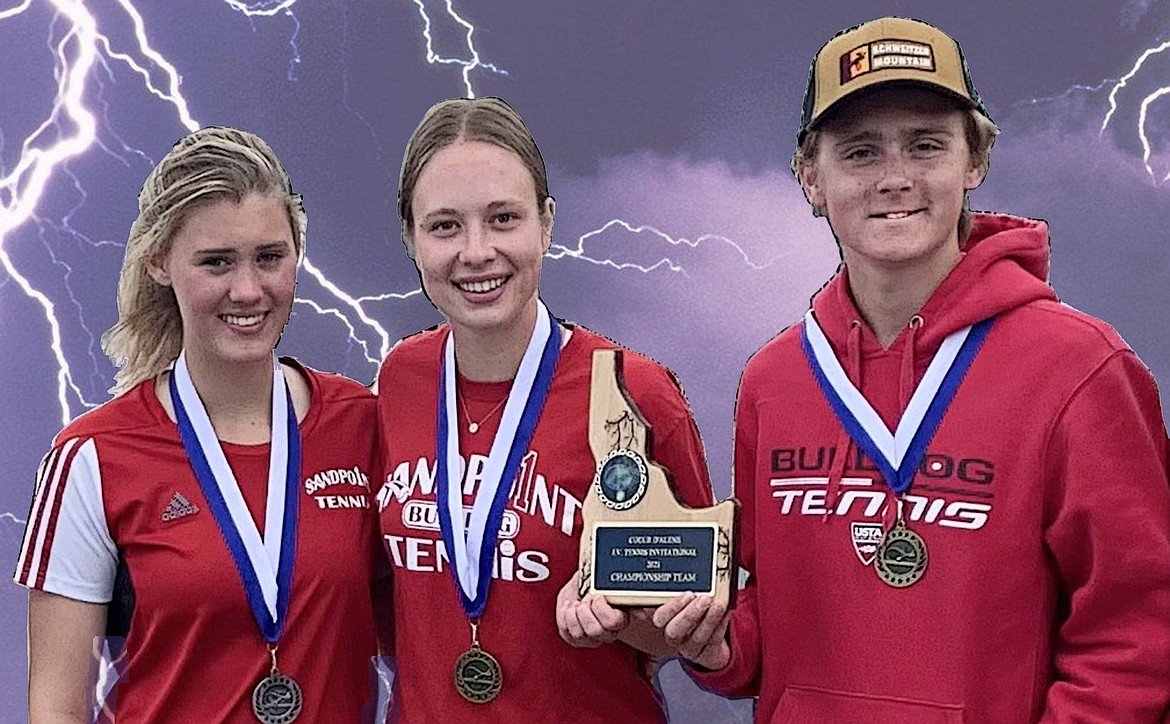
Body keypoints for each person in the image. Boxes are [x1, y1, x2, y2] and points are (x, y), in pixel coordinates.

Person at [677, 16, 1170, 723]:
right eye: (860, 153)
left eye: (926, 145)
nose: (896, 178)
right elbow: (770, 619)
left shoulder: (1083, 369)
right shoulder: (773, 378)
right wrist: (716, 646)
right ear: (811, 178)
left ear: (975, 162)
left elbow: (1137, 631)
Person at [14, 127, 385, 722]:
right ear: (159, 262)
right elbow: (56, 709)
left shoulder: (364, 424)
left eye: (270, 258)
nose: (248, 290)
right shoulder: (92, 456)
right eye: (216, 262)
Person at [374, 96, 718, 722]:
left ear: (547, 224)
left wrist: (622, 618)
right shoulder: (400, 377)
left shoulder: (634, 393)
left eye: (504, 219)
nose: (476, 251)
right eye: (445, 226)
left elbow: (692, 622)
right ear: (410, 238)